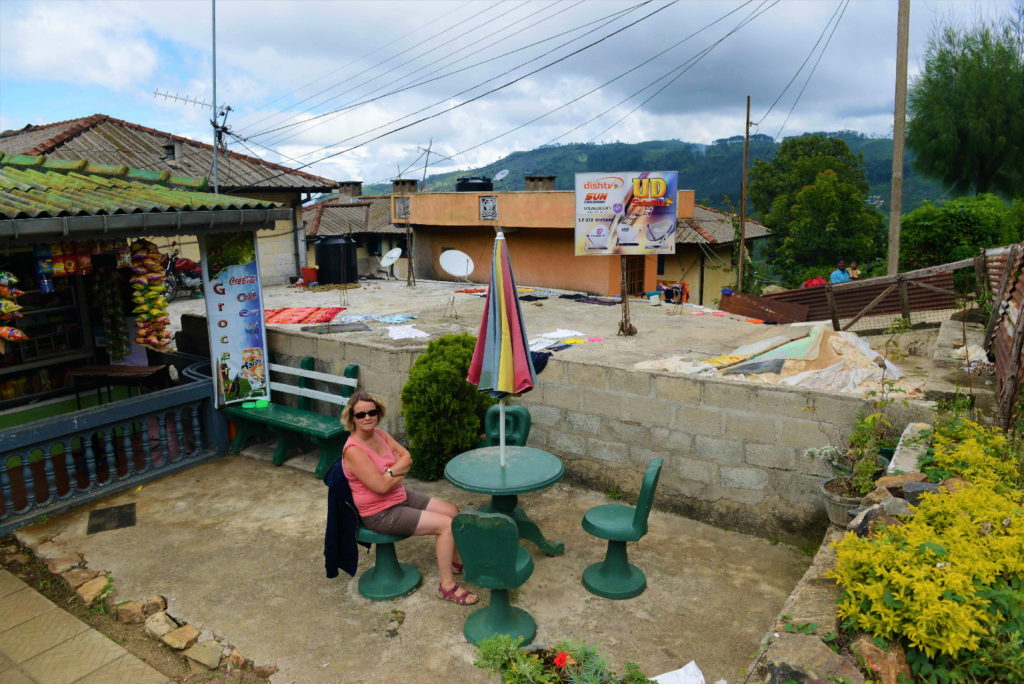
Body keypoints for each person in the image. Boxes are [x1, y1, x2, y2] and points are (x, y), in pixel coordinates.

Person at [340, 391, 478, 605]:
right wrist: (398, 471)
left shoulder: (381, 434)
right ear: (352, 418)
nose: (367, 417)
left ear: (378, 413)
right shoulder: (354, 450)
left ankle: (454, 561)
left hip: (399, 496)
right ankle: (447, 586)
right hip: (380, 512)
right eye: (360, 415)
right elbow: (380, 487)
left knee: (453, 512)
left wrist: (389, 474)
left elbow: (407, 457)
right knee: (446, 525)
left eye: (372, 412)